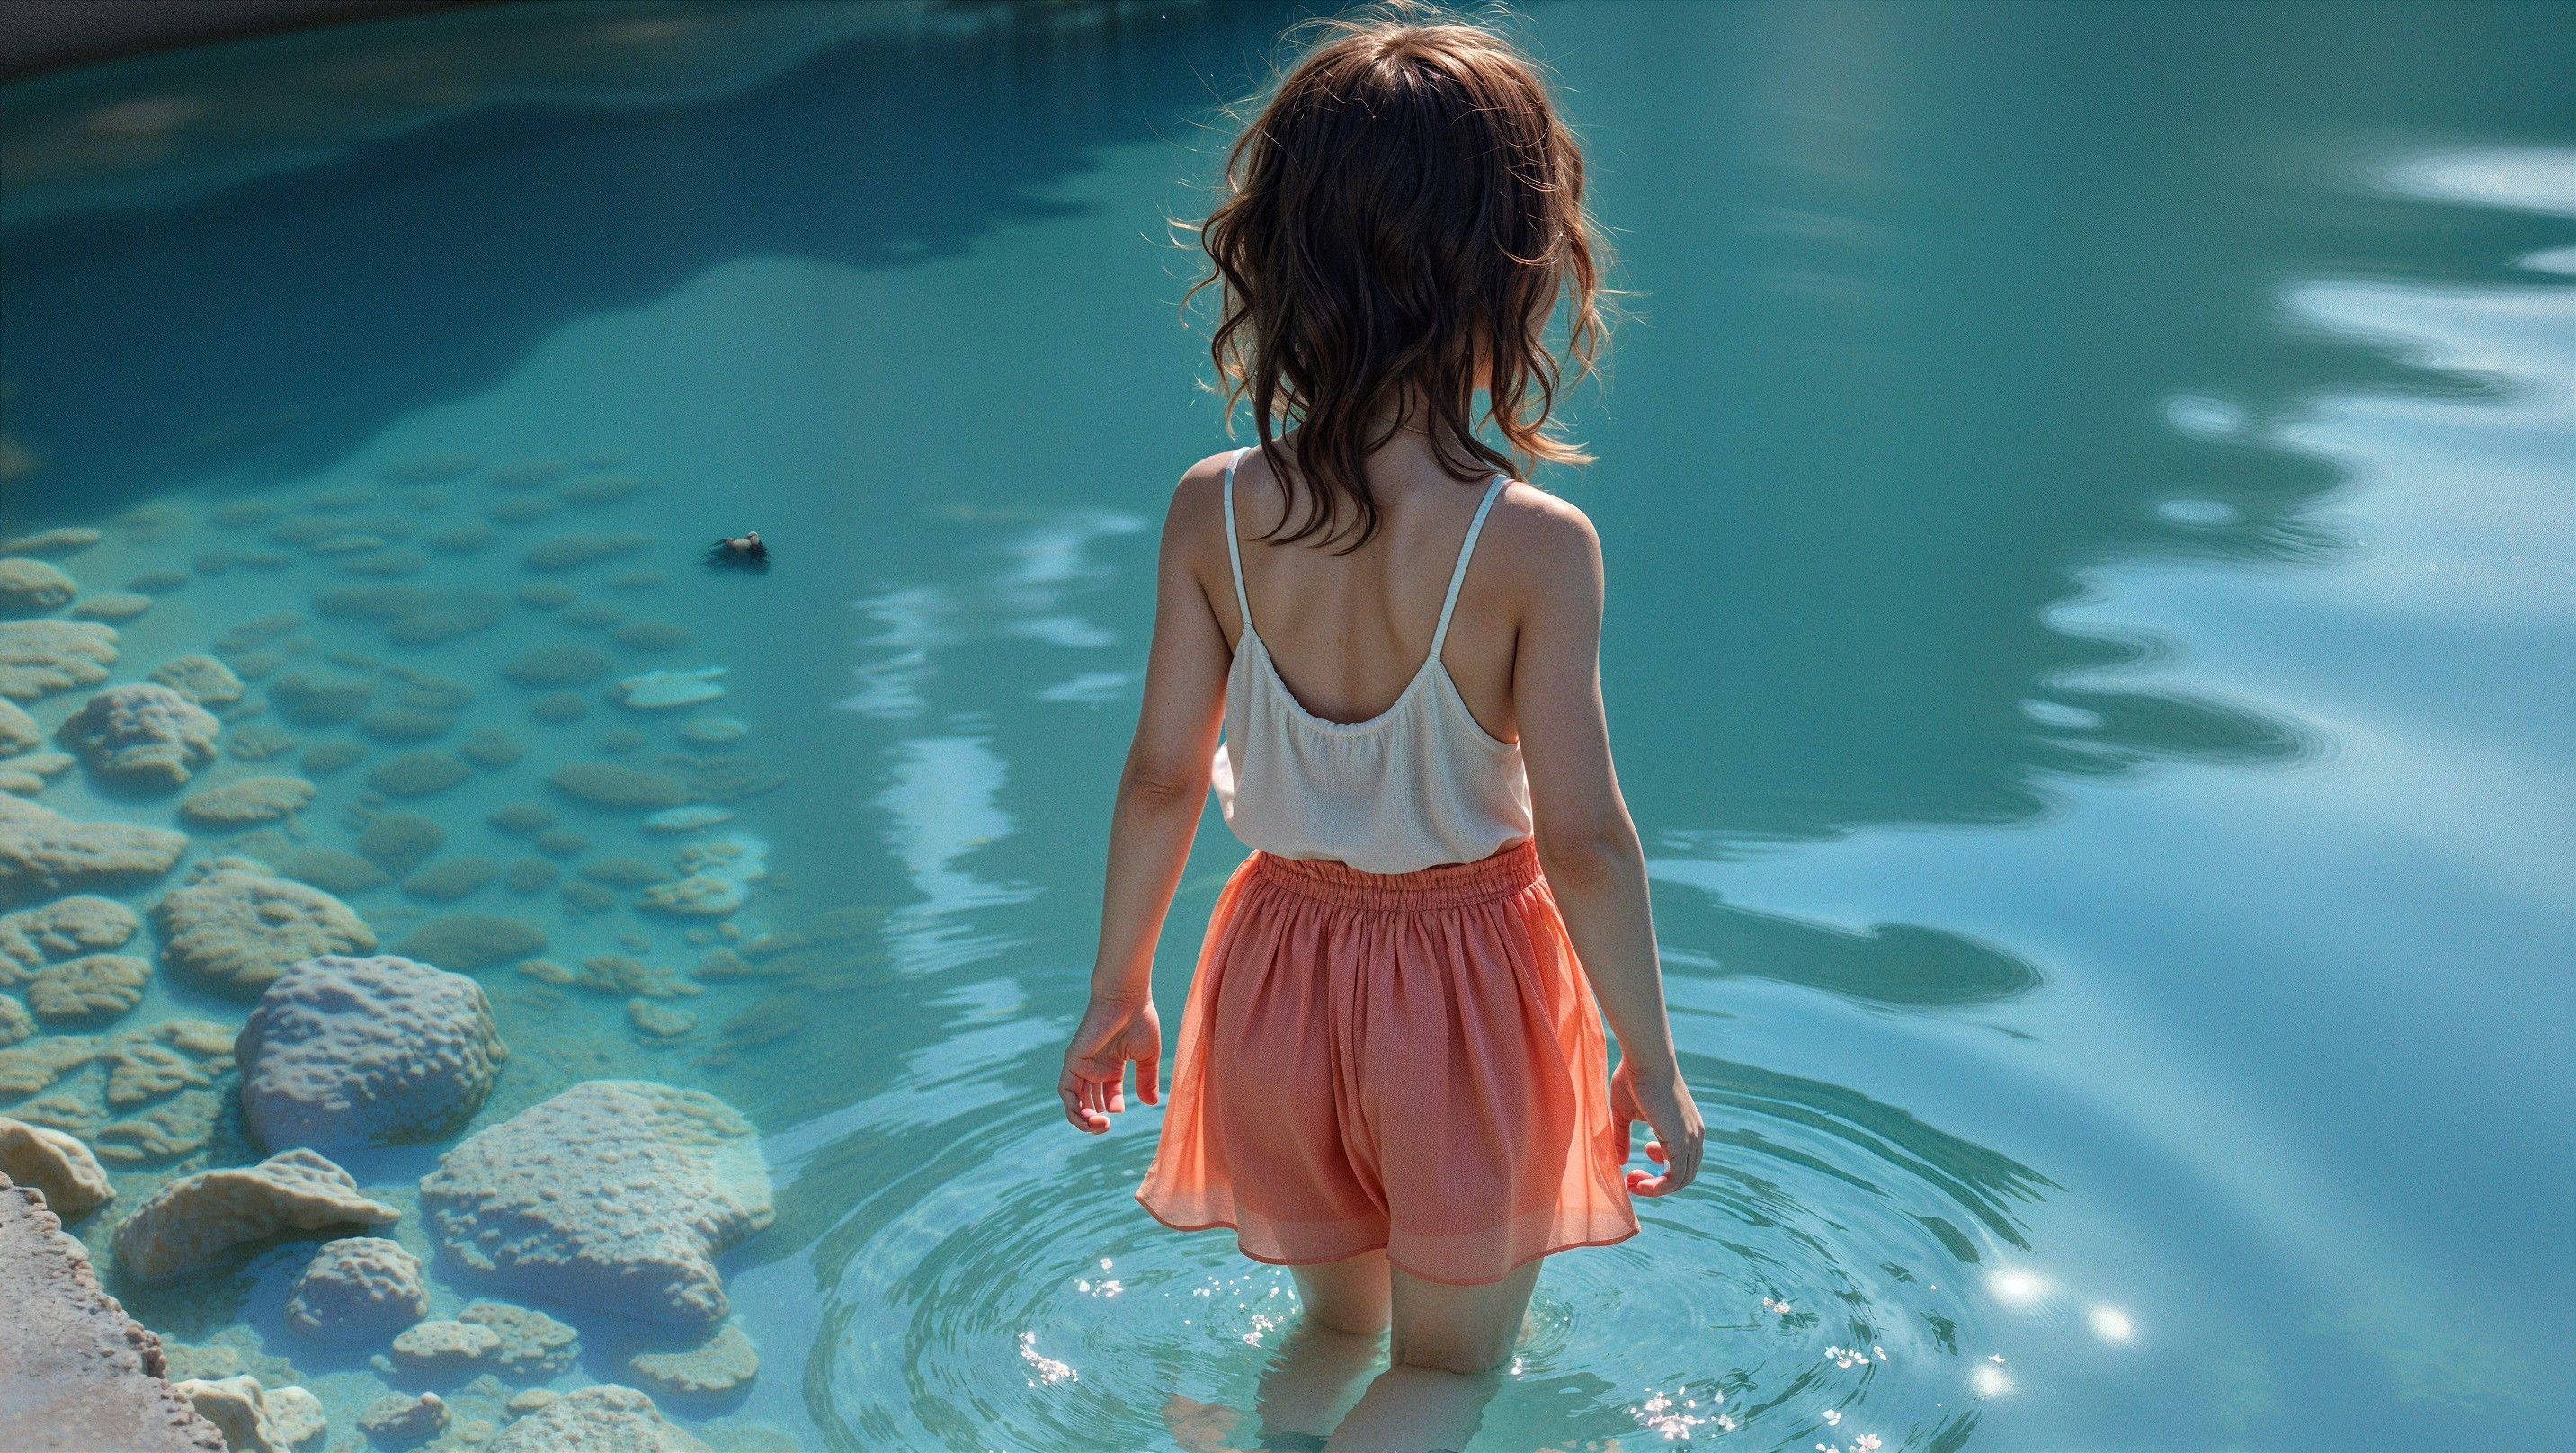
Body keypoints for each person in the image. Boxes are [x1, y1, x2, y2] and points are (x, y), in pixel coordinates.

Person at [1057, 6, 1703, 1448]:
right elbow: (1587, 844)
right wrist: (1649, 1060)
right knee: (1445, 1373)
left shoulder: (1213, 508)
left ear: (1277, 263)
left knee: (1334, 1331)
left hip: (1272, 974)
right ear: (1517, 272)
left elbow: (1160, 776)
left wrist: (1117, 988)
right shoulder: (1533, 546)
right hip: (1466, 991)